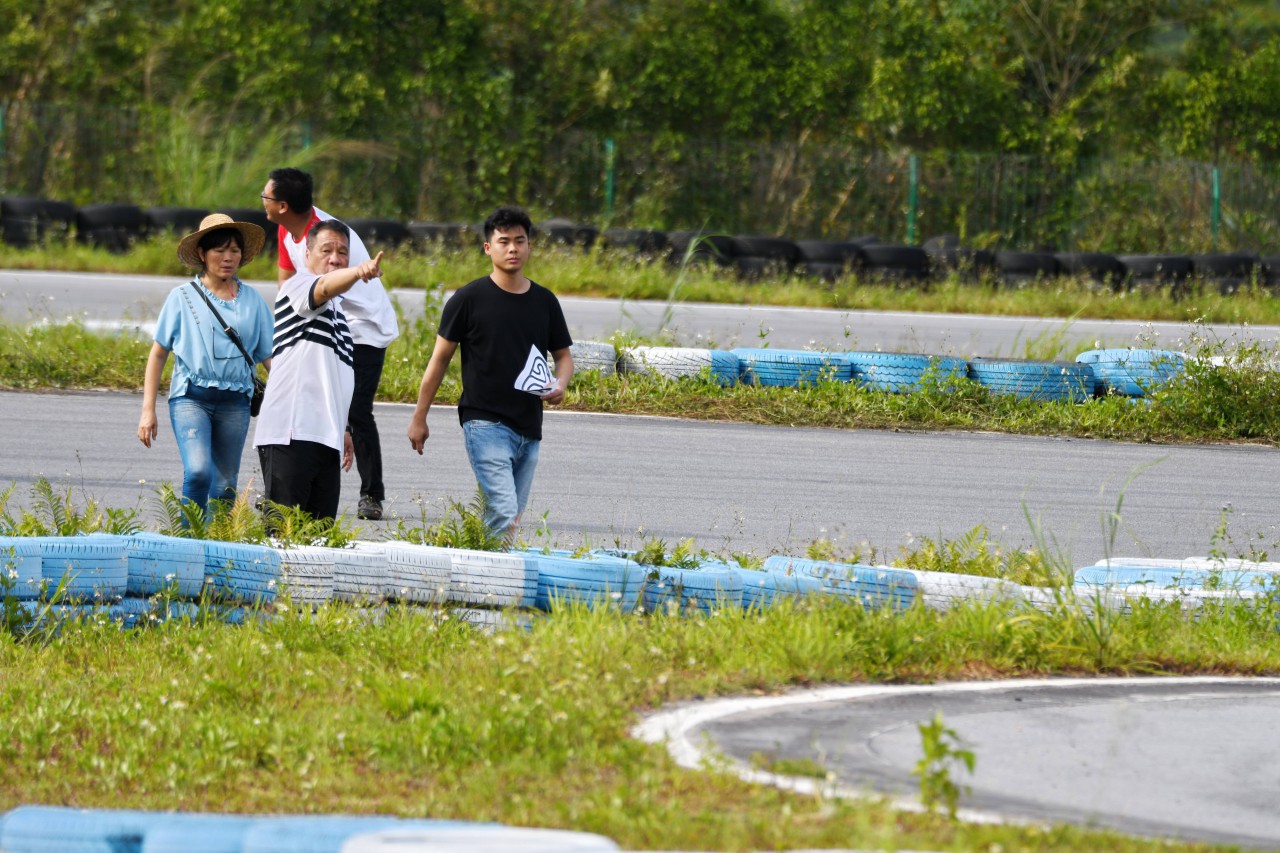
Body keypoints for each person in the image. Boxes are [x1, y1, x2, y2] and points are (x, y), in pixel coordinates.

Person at [407, 205, 574, 540]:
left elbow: (564, 357)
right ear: (488, 248)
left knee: (509, 519)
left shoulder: (545, 301)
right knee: (503, 510)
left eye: (519, 241)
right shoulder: (468, 300)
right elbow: (438, 361)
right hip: (484, 423)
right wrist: (419, 417)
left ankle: (489, 578)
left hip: (529, 426)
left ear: (529, 245)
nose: (512, 248)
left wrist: (561, 385)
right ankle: (495, 588)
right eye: (503, 241)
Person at [260, 167, 398, 521]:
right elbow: (311, 286)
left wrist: (344, 428)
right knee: (285, 529)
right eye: (327, 252)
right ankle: (278, 484)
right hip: (293, 426)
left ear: (284, 204)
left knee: (356, 409)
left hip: (363, 325)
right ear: (310, 253)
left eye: (342, 254)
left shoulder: (326, 231)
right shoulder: (300, 272)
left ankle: (371, 492)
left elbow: (326, 287)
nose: (335, 257)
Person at [137, 213, 274, 516]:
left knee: (225, 486)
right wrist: (148, 410)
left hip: (235, 402)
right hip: (191, 399)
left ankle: (218, 553)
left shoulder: (253, 301)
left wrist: (287, 399)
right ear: (202, 254)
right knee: (198, 472)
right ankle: (190, 547)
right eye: (219, 250)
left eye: (234, 251)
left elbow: (269, 358)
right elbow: (158, 353)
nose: (228, 258)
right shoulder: (181, 297)